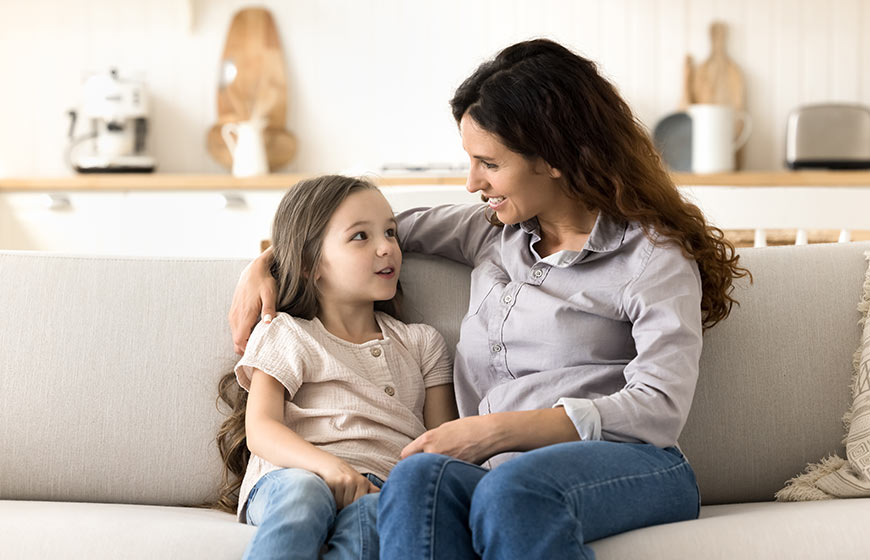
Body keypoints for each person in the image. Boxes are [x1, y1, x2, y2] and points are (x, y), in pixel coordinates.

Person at [229, 39, 750, 559]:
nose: (472, 181)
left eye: (488, 163)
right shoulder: (493, 231)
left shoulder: (653, 258)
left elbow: (659, 408)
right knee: (415, 481)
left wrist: (493, 432)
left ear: (553, 158)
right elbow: (359, 232)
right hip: (497, 468)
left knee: (513, 489)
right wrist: (273, 260)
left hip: (630, 463)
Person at [215, 175, 457, 560]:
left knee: (374, 522)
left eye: (391, 232)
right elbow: (261, 429)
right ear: (311, 264)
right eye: (361, 236)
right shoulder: (287, 332)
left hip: (381, 490)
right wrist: (332, 469)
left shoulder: (421, 343)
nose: (387, 248)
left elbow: (442, 446)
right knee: (305, 493)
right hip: (292, 477)